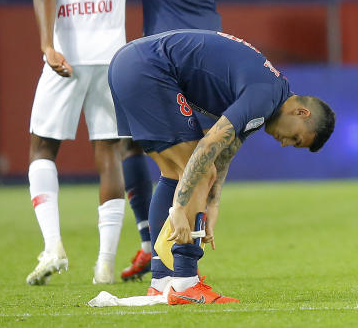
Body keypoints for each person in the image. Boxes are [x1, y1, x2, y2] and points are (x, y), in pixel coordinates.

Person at [24, 0, 211, 286]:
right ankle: (104, 265)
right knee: (108, 153)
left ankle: (53, 244)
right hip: (112, 57)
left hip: (66, 55)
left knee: (42, 148)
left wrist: (47, 46)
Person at [107, 29, 335, 304]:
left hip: (130, 63)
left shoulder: (270, 96)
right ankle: (185, 283)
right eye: (296, 138)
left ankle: (162, 280)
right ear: (301, 113)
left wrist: (213, 204)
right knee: (199, 169)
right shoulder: (265, 95)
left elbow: (224, 151)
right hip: (148, 68)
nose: (286, 144)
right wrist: (179, 208)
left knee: (173, 173)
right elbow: (208, 147)